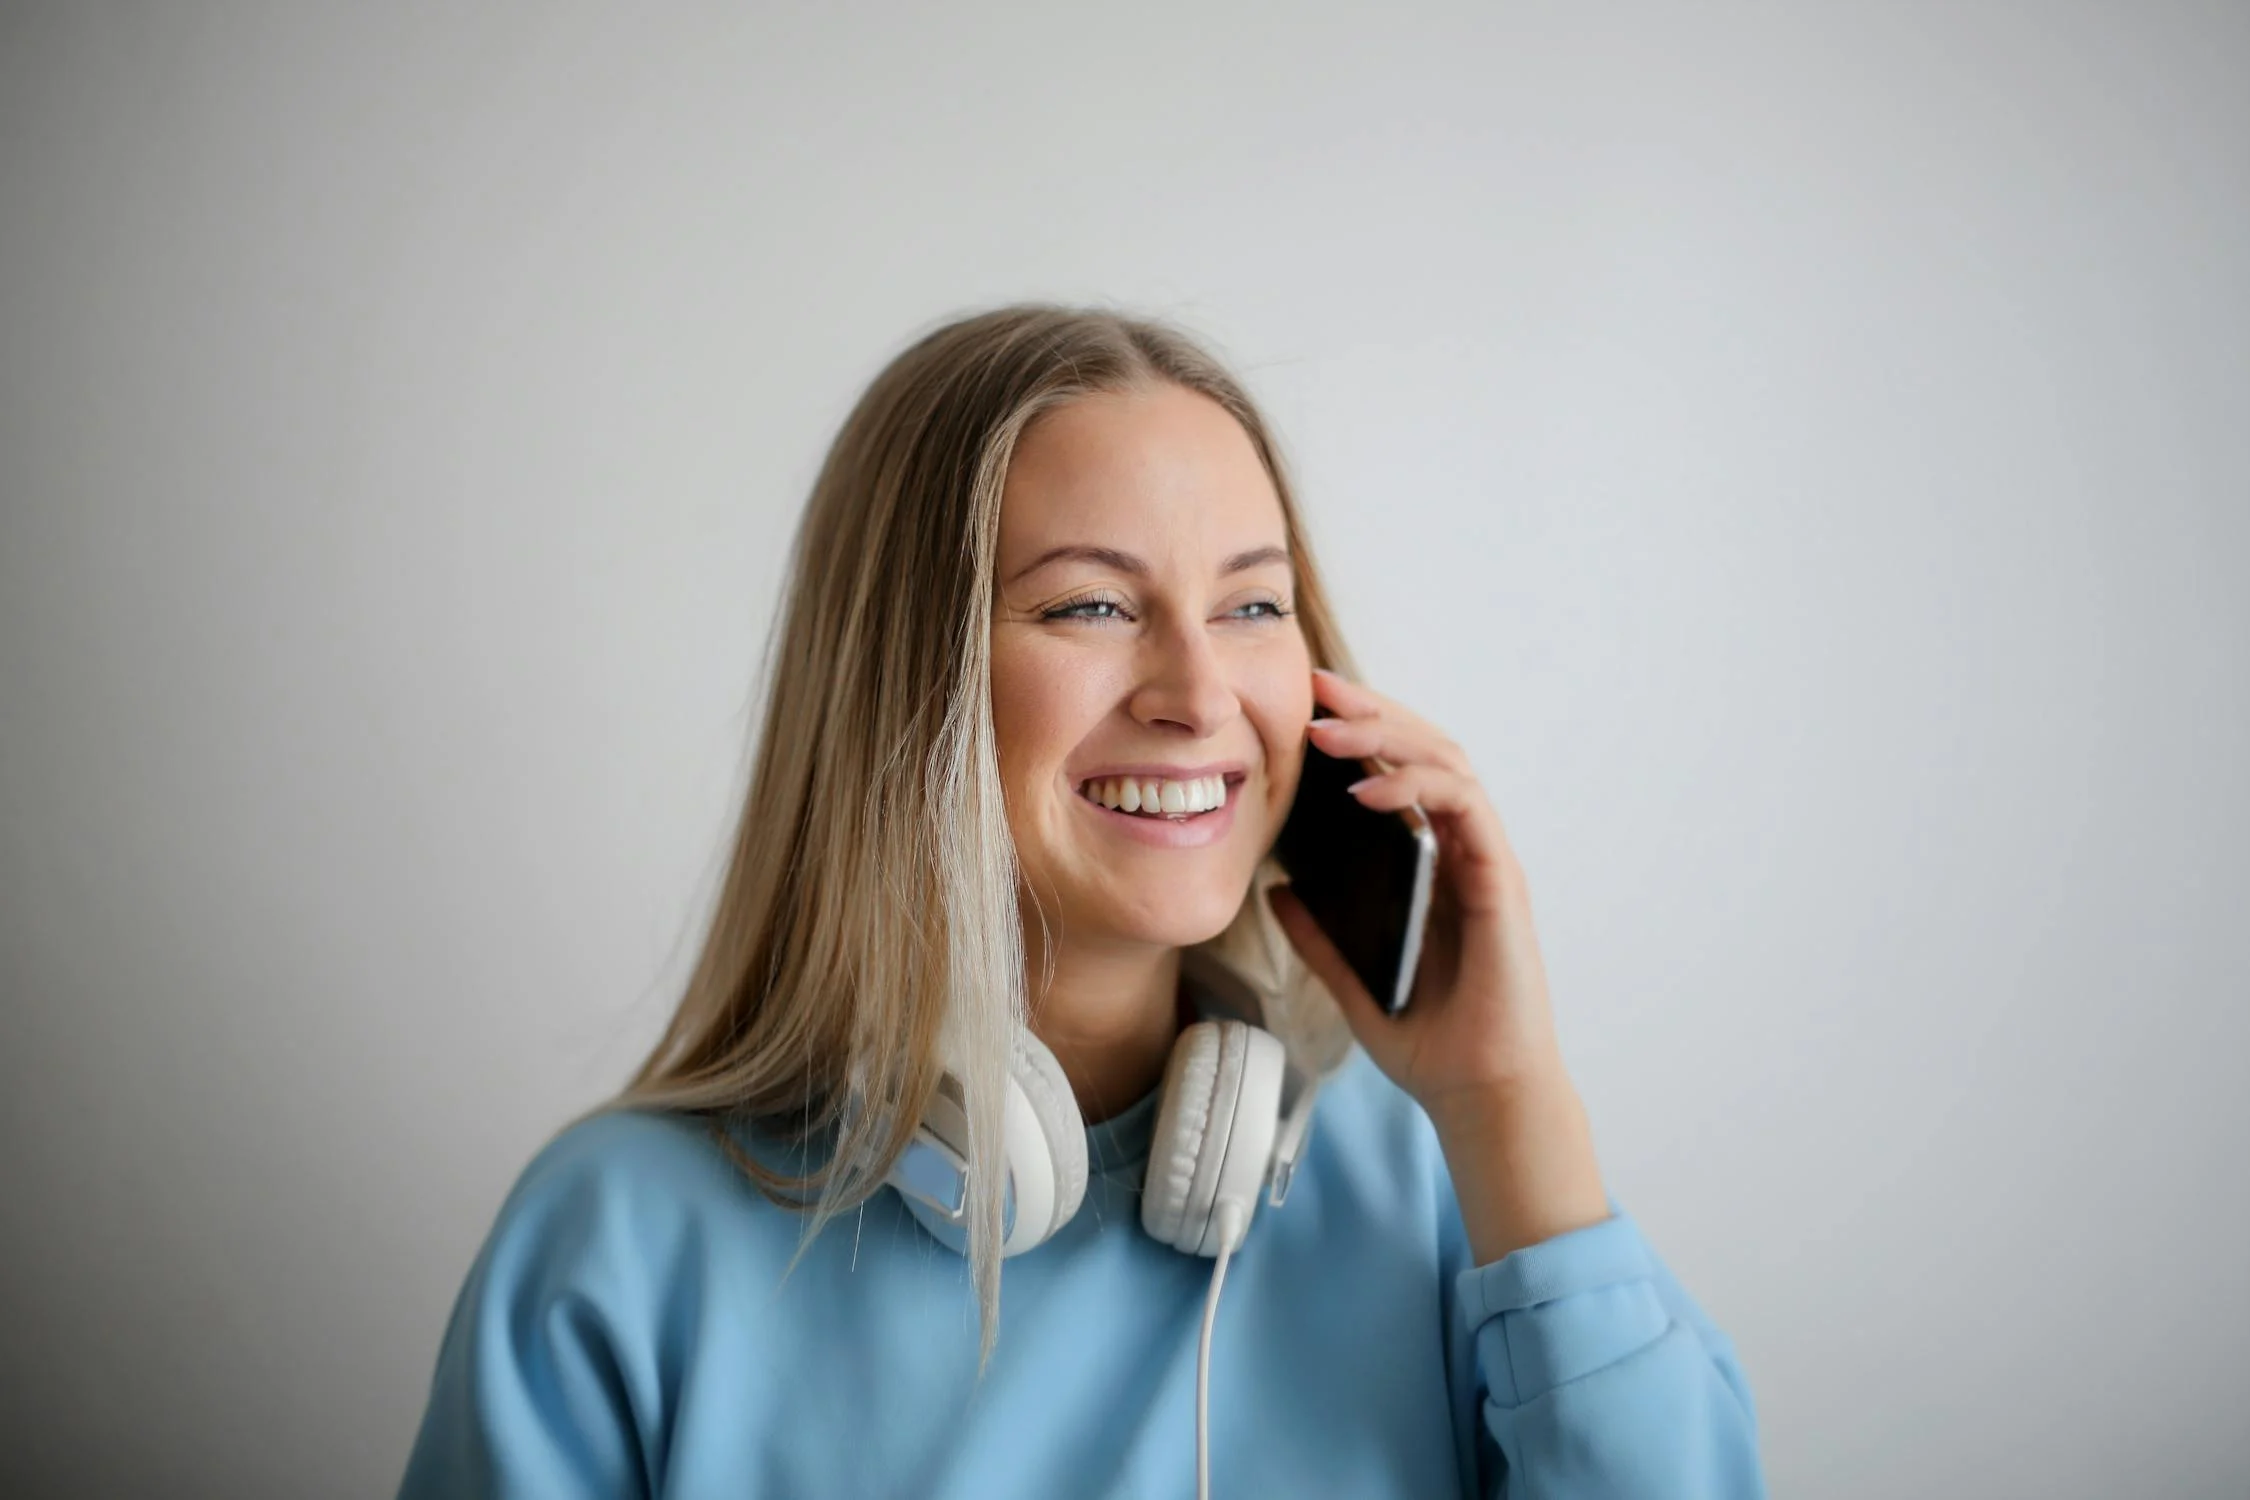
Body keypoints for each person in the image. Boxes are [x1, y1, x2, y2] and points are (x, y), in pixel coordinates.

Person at [396, 304, 1766, 1498]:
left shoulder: (1435, 1186)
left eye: (1250, 608)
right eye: (1091, 609)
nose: (1196, 695)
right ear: (904, 683)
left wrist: (1505, 1105)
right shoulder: (618, 1244)